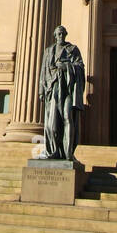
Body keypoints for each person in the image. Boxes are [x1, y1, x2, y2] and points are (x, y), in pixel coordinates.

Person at [38, 25, 85, 161]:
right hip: (53, 88)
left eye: (63, 34)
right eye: (58, 34)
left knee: (67, 117)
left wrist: (66, 67)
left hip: (68, 88)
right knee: (52, 124)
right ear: (54, 35)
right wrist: (41, 90)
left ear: (66, 34)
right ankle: (53, 151)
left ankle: (68, 152)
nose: (61, 36)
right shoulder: (48, 51)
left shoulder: (73, 50)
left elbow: (80, 67)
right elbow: (43, 71)